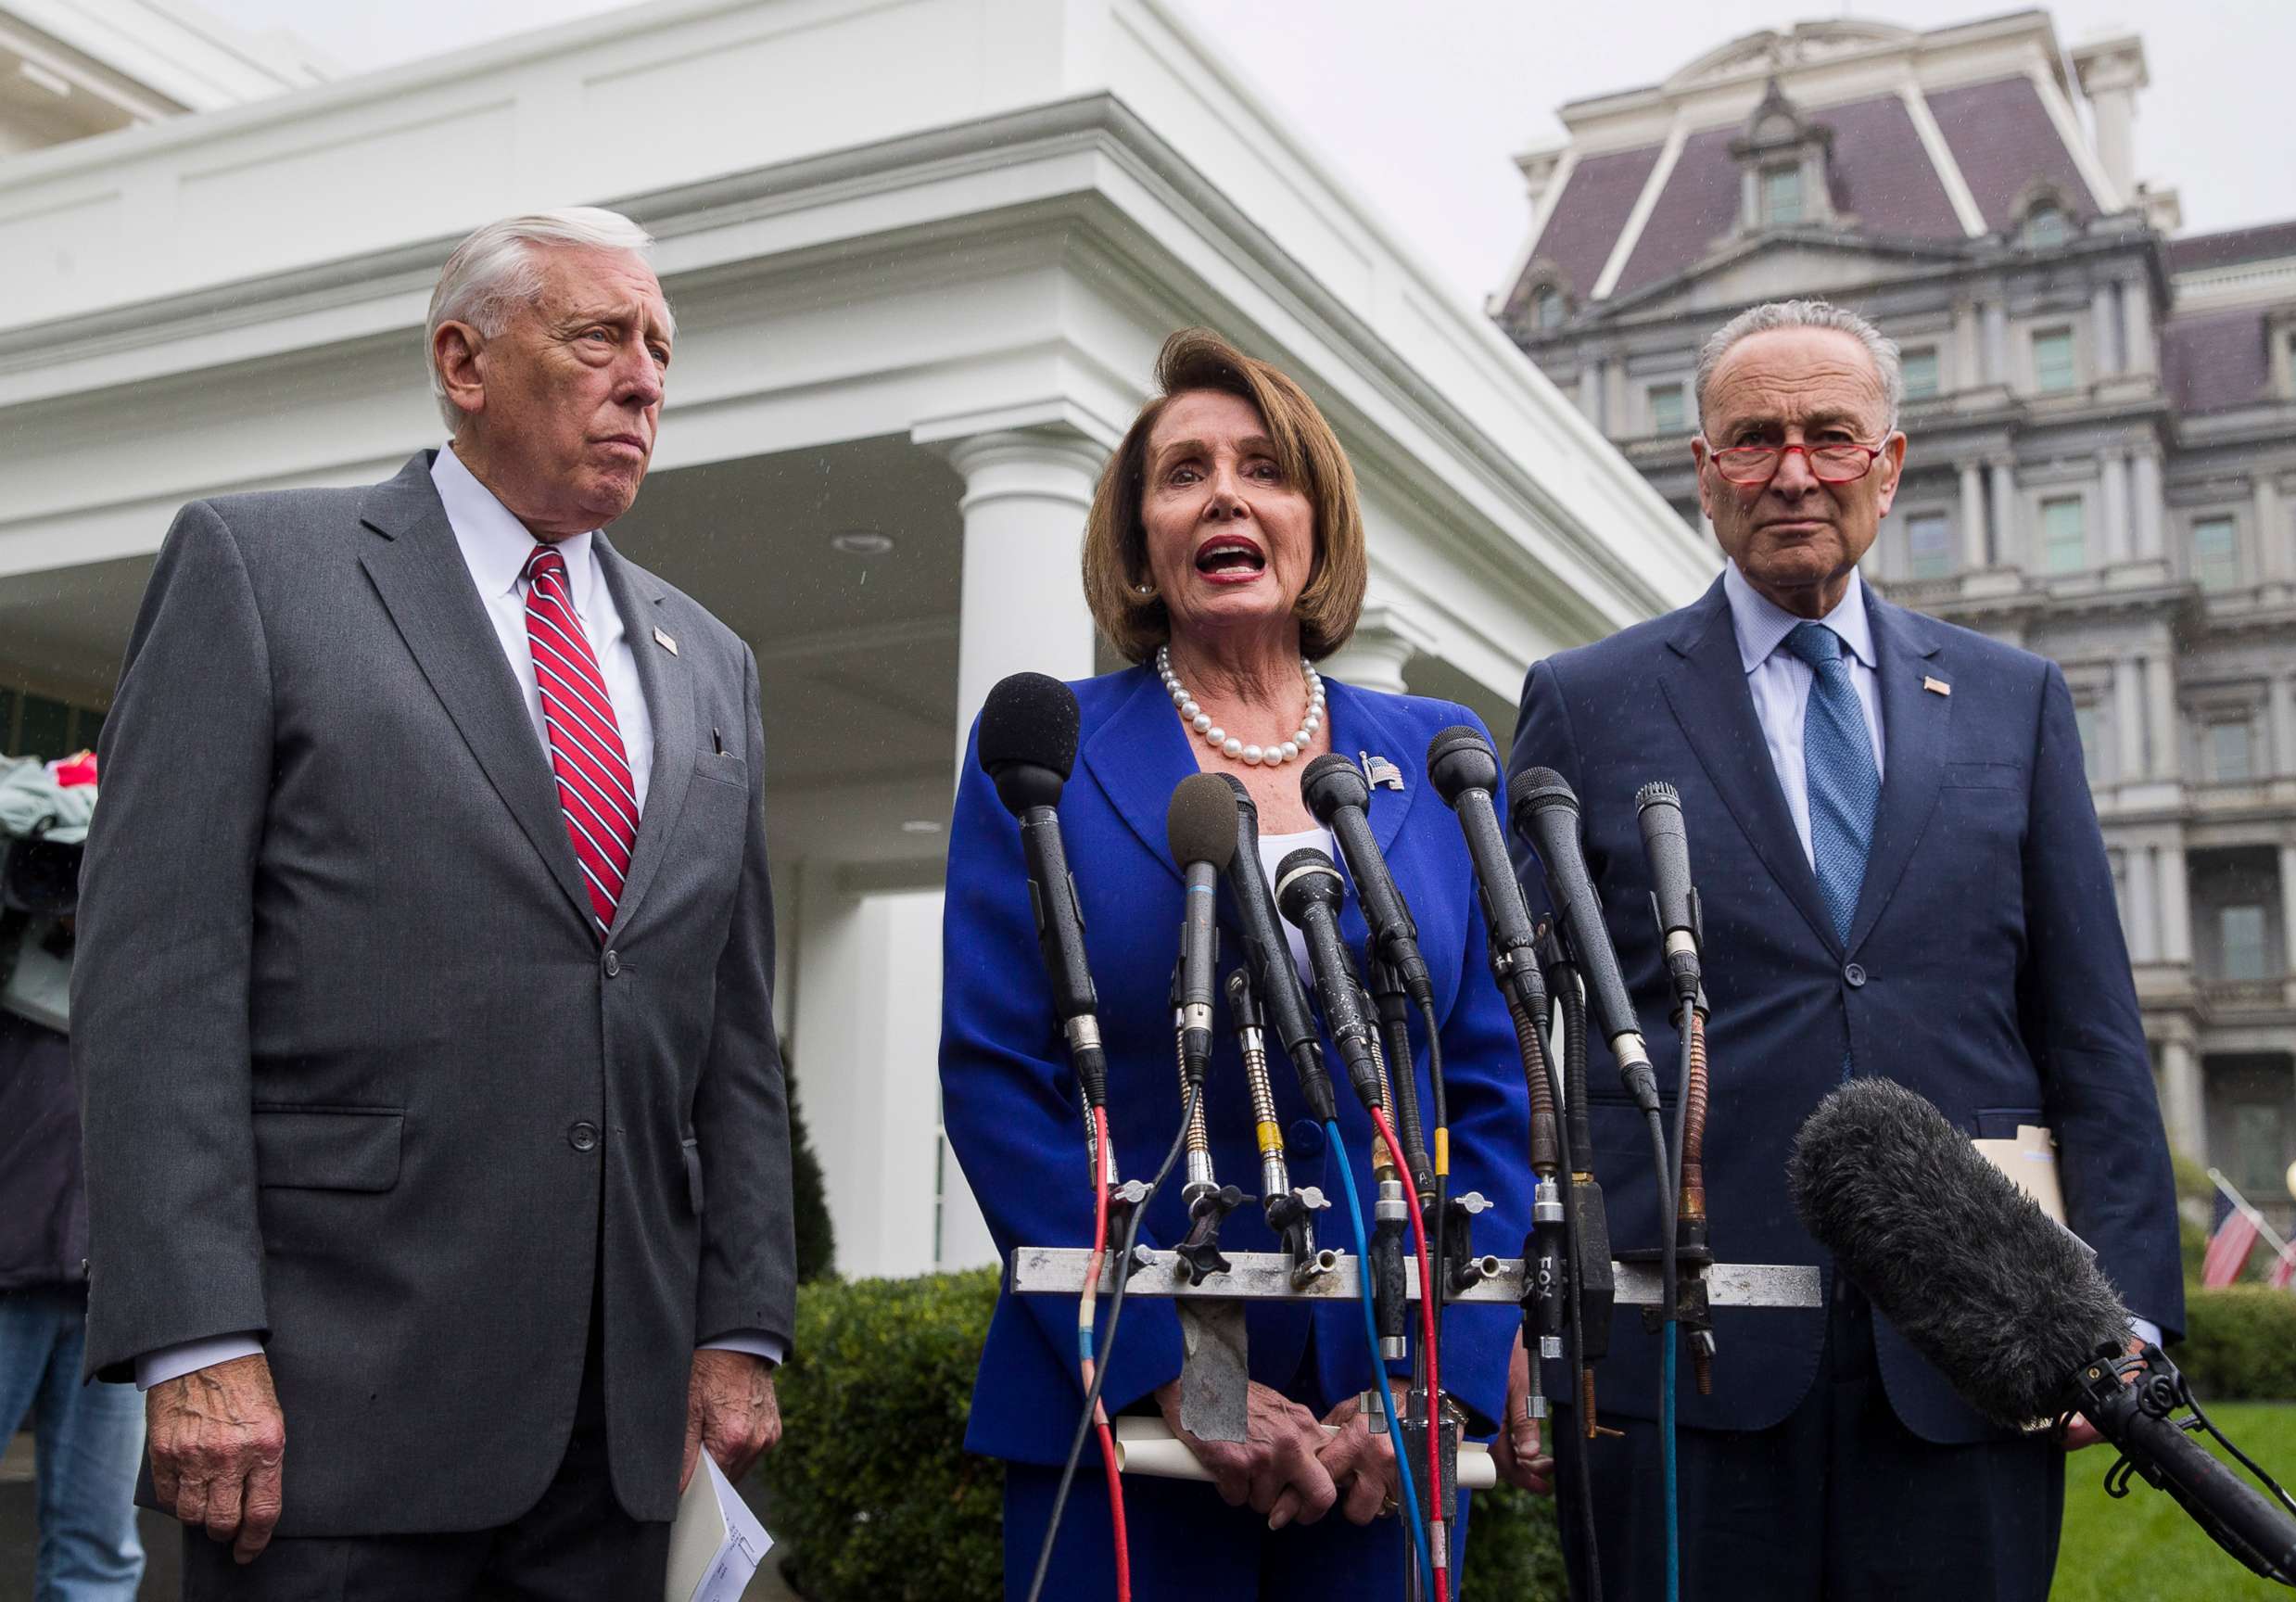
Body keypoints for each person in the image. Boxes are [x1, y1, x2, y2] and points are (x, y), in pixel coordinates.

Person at [72, 209, 797, 1600]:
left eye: (661, 348)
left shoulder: (712, 662)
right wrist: (195, 1340)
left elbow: (732, 1035)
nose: (646, 378)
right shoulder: (259, 573)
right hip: (330, 1414)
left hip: (620, 1438)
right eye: (600, 336)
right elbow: (159, 977)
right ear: (464, 361)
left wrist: (741, 1326)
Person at [1509, 299, 2184, 1602]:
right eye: (1754, 439)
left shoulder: (2014, 702)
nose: (1794, 471)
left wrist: (2131, 1310)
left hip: (1976, 1351)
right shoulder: (1587, 705)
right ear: (1704, 474)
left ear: (1891, 462)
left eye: (1831, 435)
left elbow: (2090, 1026)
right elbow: (1525, 1032)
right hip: (1677, 1363)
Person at [939, 329, 1544, 1600]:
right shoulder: (1046, 751)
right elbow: (1001, 1083)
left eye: (1264, 467)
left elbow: (1490, 1083)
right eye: (1183, 472)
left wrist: (1443, 1377)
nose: (1225, 494)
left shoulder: (1435, 754)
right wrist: (1184, 1369)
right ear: (1141, 539)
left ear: (1315, 518)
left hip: (1384, 1424)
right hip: (1128, 1428)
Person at [0, 776, 146, 1602]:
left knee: (98, 1547)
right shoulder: (14, 970)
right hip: (8, 1277)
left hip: (112, 1303)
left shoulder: (152, 996)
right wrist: (60, 797)